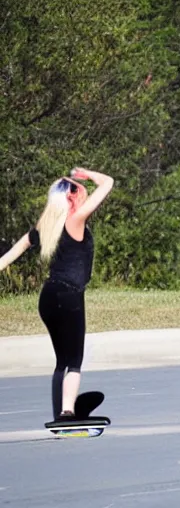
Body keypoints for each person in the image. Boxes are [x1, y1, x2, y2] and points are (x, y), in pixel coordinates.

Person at [0, 168, 114, 421]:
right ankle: (66, 412)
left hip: (49, 297)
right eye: (82, 195)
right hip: (69, 296)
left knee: (62, 361)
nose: (85, 199)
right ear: (72, 198)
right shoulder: (75, 219)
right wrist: (84, 174)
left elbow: (15, 251)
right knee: (74, 361)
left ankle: (61, 413)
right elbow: (108, 183)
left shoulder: (46, 226)